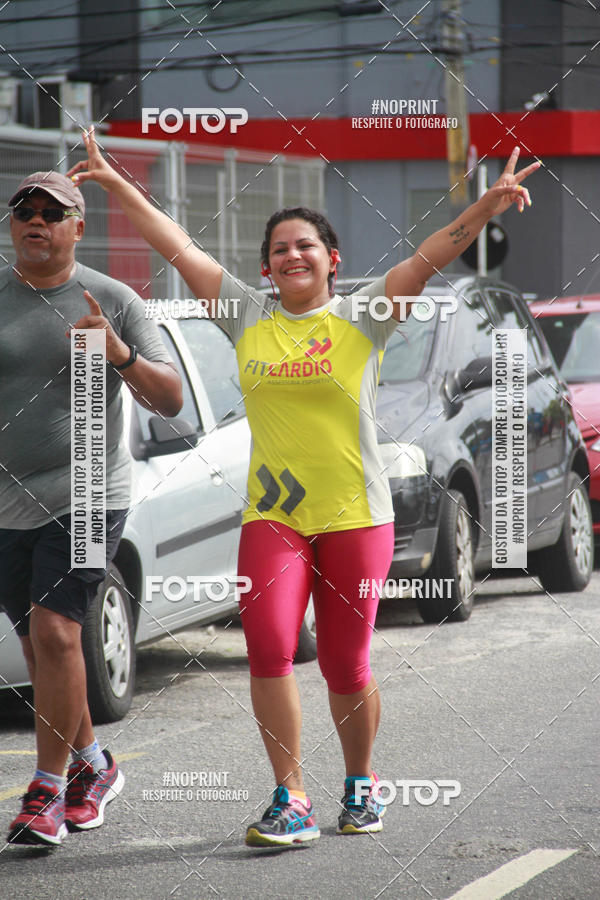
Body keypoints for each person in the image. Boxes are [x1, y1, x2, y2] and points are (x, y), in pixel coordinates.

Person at [69, 129, 539, 846]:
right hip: (275, 518)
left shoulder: (364, 317)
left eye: (306, 246)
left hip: (356, 516)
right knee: (267, 645)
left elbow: (430, 253)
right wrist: (115, 182)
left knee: (347, 662)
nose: (292, 255)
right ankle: (289, 795)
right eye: (280, 248)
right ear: (266, 266)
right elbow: (177, 249)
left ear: (331, 261)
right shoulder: (246, 317)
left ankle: (360, 782)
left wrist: (488, 205)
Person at [2, 171, 183, 846]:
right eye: (26, 210)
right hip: (6, 504)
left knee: (54, 633)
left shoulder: (114, 300)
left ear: (79, 226)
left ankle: (44, 793)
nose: (37, 220)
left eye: (54, 211)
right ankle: (92, 766)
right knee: (42, 645)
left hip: (86, 495)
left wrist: (121, 353)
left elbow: (169, 400)